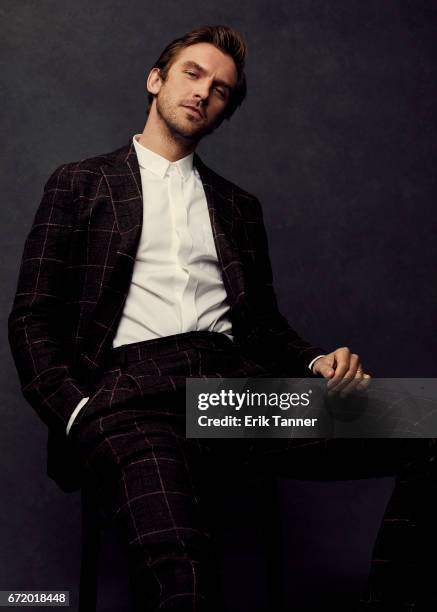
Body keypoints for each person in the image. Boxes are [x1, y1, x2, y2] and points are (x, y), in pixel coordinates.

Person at [8, 25, 371, 611]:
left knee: (418, 424)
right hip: (132, 398)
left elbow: (264, 327)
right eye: (193, 74)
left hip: (235, 392)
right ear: (156, 81)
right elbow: (32, 317)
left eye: (222, 90)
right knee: (187, 581)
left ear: (224, 112)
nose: (204, 92)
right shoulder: (80, 183)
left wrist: (315, 360)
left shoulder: (238, 207)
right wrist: (77, 412)